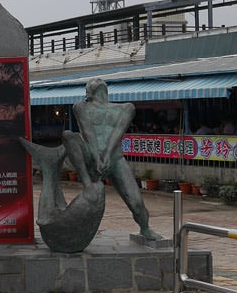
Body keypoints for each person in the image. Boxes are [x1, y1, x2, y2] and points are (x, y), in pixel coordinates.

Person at [62, 79, 163, 240]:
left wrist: (107, 155)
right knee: (68, 135)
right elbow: (88, 133)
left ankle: (145, 228)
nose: (97, 83)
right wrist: (97, 157)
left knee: (136, 201)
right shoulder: (80, 107)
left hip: (114, 159)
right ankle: (87, 182)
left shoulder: (125, 108)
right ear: (87, 93)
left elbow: (118, 132)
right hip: (90, 157)